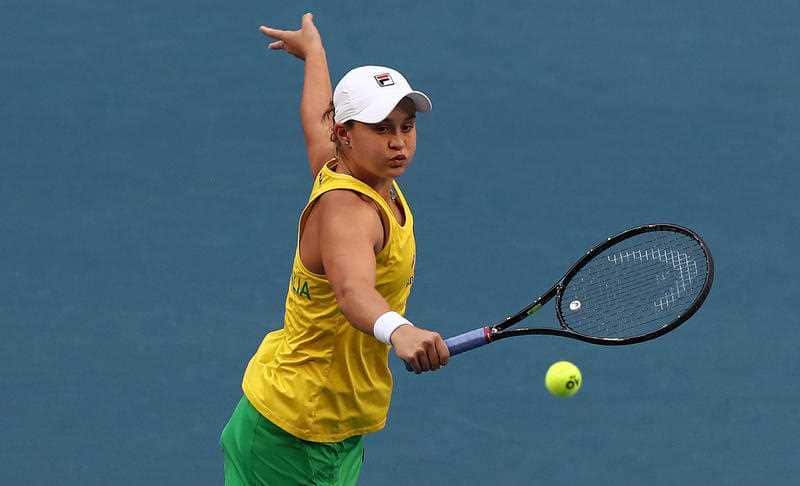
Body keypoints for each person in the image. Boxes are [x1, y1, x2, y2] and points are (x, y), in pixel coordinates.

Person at [220, 13, 450, 485]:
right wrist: (398, 330)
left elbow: (314, 119)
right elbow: (352, 291)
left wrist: (314, 55)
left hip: (302, 417)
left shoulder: (343, 166)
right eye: (382, 129)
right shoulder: (348, 211)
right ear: (345, 133)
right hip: (300, 435)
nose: (398, 143)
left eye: (406, 127)